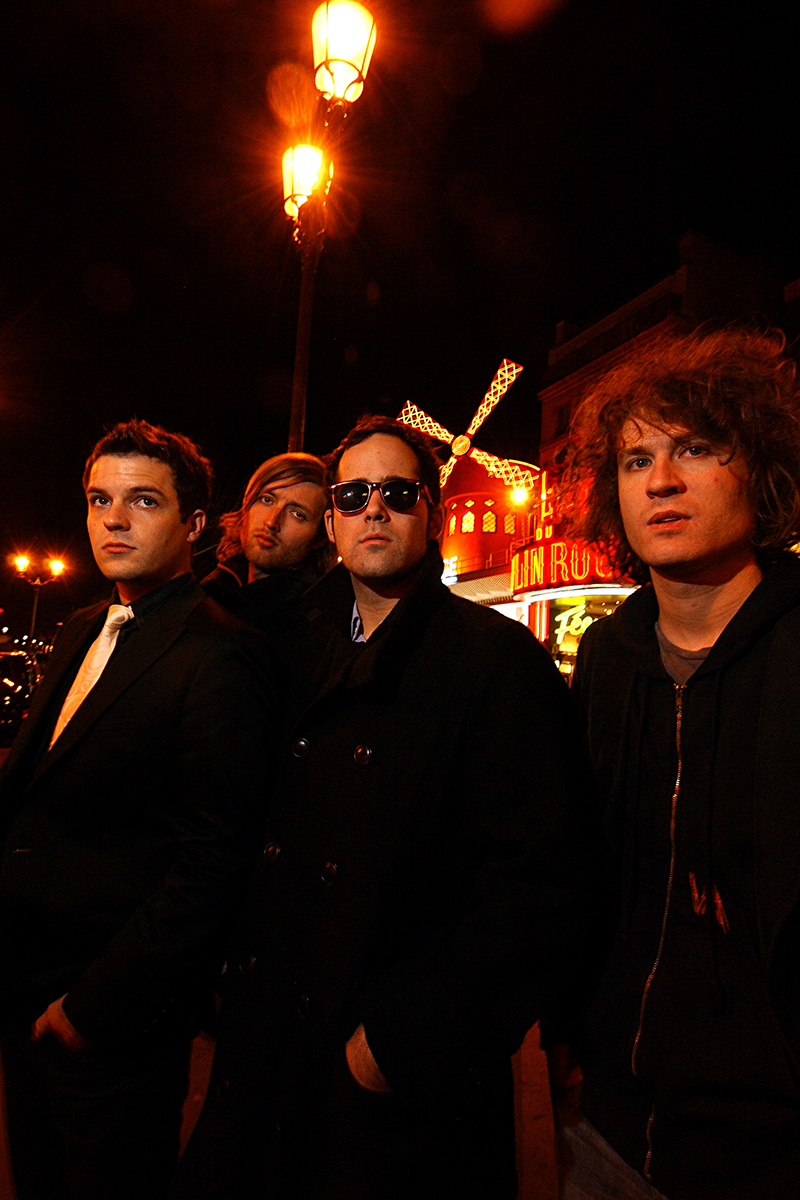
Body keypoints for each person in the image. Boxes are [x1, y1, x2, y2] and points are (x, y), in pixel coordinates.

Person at [173, 416, 592, 1200]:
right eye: (354, 494)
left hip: (391, 1087)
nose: (375, 510)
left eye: (398, 493)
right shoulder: (290, 648)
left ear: (432, 512)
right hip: (267, 1051)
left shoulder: (500, 663)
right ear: (331, 518)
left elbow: (541, 888)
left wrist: (399, 1043)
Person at [0, 419, 273, 1200]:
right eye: (99, 499)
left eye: (142, 501)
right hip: (24, 996)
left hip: (106, 1024)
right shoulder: (85, 624)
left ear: (192, 524)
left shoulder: (221, 651)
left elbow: (214, 862)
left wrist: (91, 1010)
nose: (112, 520)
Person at [561, 327, 800, 1200]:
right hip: (610, 1129)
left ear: (761, 469)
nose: (660, 480)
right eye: (634, 460)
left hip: (770, 1149)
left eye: (695, 448)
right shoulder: (608, 660)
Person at [201, 451, 330, 629]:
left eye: (297, 514)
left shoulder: (314, 622)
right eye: (266, 500)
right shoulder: (215, 588)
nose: (271, 522)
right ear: (247, 505)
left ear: (321, 537)